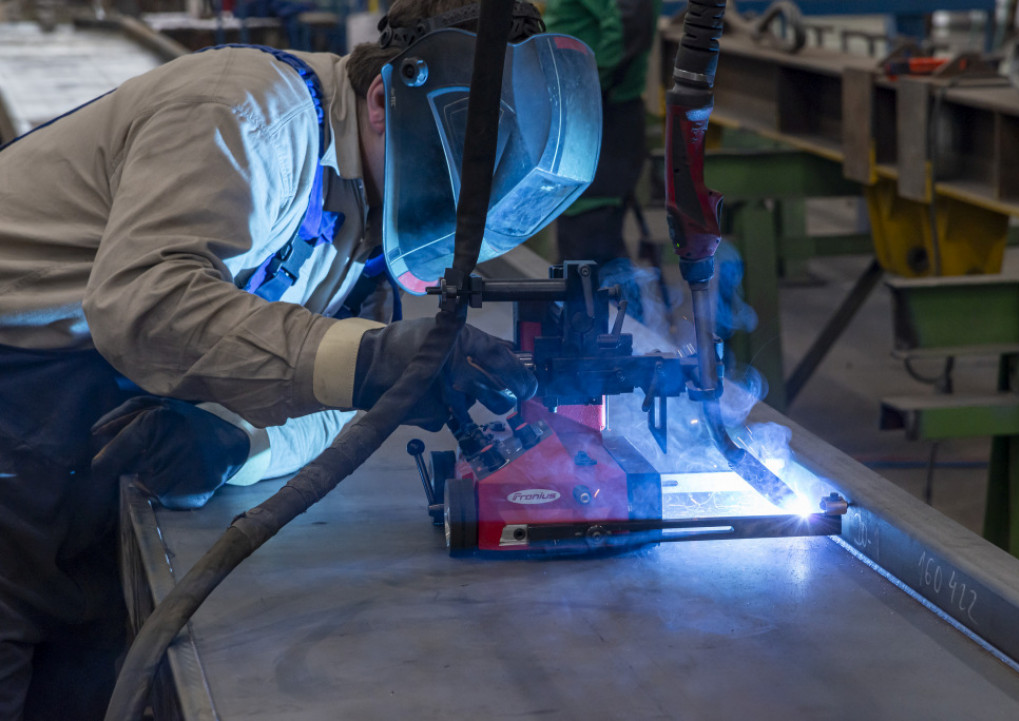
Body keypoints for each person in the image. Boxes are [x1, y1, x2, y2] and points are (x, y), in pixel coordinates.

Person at [0, 0, 602, 717]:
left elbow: (340, 400)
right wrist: (368, 360)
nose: (447, 216)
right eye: (455, 186)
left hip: (86, 439)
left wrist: (238, 443)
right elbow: (143, 302)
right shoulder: (249, 114)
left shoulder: (368, 214)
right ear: (382, 101)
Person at [543, 0, 661, 319]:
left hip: (601, 114)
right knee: (588, 245)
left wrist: (585, 88)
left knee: (589, 249)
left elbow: (630, 24)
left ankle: (620, 339)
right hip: (590, 112)